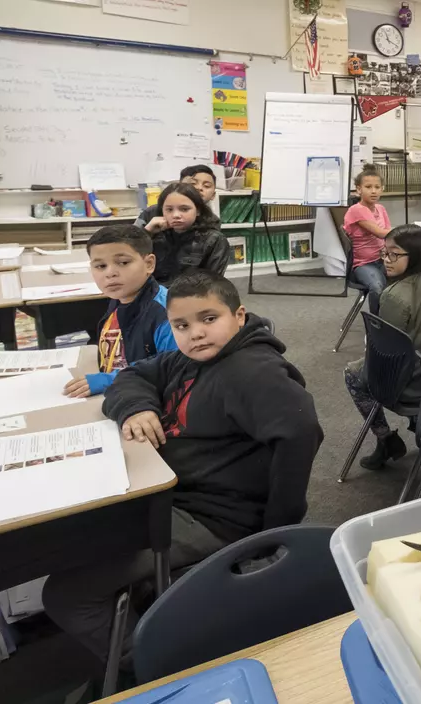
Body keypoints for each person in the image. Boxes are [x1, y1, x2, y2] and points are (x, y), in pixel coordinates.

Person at [43, 271, 323, 667]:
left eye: (209, 319)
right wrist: (138, 406)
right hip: (169, 491)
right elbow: (134, 375)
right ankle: (148, 609)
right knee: (68, 534)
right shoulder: (185, 359)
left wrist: (274, 536)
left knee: (66, 593)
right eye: (182, 325)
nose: (196, 333)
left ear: (239, 316)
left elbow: (301, 435)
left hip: (216, 517)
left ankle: (153, 665)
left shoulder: (252, 372)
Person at [344, 224, 421, 469]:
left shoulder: (395, 295)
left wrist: (370, 346)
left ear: (414, 254)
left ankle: (386, 439)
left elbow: (386, 358)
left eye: (394, 254)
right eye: (384, 252)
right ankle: (419, 424)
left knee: (352, 374)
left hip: (414, 386)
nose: (386, 259)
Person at [62, 225, 178, 398]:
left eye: (123, 263)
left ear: (149, 264)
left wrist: (109, 380)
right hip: (120, 391)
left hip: (145, 400)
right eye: (100, 266)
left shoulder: (167, 313)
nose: (110, 273)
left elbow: (174, 369)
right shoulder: (120, 297)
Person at [150, 183, 230, 284]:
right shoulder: (155, 235)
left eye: (184, 209)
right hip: (155, 295)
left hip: (192, 297)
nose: (176, 215)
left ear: (198, 211)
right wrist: (146, 233)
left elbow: (212, 283)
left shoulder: (213, 240)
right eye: (169, 209)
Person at [343, 164, 392, 297]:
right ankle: (377, 318)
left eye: (377, 187)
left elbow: (389, 235)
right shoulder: (357, 210)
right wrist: (410, 232)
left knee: (410, 279)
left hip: (383, 260)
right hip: (363, 265)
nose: (374, 191)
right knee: (378, 287)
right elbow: (381, 233)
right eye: (368, 187)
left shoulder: (381, 208)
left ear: (382, 189)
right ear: (359, 189)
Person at [135, 164, 219, 232]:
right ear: (179, 186)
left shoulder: (212, 220)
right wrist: (147, 231)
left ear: (213, 195)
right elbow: (129, 243)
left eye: (206, 186)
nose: (199, 188)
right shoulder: (152, 212)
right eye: (193, 183)